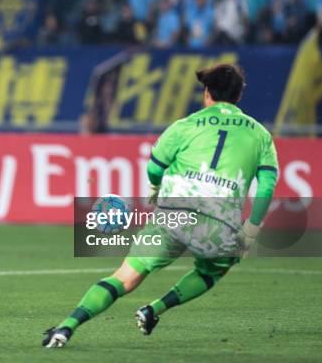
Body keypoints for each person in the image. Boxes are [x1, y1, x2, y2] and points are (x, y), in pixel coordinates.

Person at [43, 63, 278, 348]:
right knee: (212, 270)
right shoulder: (260, 135)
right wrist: (251, 230)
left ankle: (66, 327)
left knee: (125, 278)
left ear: (207, 93)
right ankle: (154, 309)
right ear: (239, 96)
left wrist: (155, 191)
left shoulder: (184, 126)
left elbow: (155, 168)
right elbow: (266, 185)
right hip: (218, 224)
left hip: (172, 216)